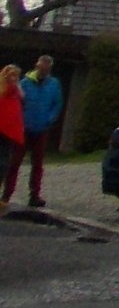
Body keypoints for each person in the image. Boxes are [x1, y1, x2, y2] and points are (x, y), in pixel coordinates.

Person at [15, 56, 62, 209]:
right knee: (14, 162)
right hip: (24, 128)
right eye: (41, 68)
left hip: (41, 128)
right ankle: (7, 193)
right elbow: (18, 103)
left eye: (46, 69)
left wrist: (50, 119)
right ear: (37, 67)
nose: (43, 71)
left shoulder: (54, 84)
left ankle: (34, 194)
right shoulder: (25, 83)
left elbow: (57, 104)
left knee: (37, 164)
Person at [0, 65, 23, 208]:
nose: (14, 78)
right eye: (11, 75)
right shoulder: (9, 93)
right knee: (3, 161)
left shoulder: (16, 94)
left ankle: (5, 194)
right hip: (4, 131)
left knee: (5, 162)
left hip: (8, 132)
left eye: (16, 76)